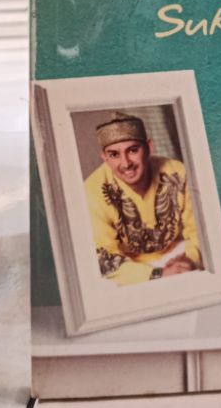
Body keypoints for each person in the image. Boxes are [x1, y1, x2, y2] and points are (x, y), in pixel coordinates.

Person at [84, 111, 202, 285]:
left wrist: (190, 260)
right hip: (130, 269)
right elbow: (105, 257)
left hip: (178, 254)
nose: (126, 164)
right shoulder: (91, 191)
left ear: (149, 147)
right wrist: (158, 274)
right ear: (104, 157)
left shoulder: (178, 172)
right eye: (114, 154)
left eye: (133, 150)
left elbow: (199, 230)